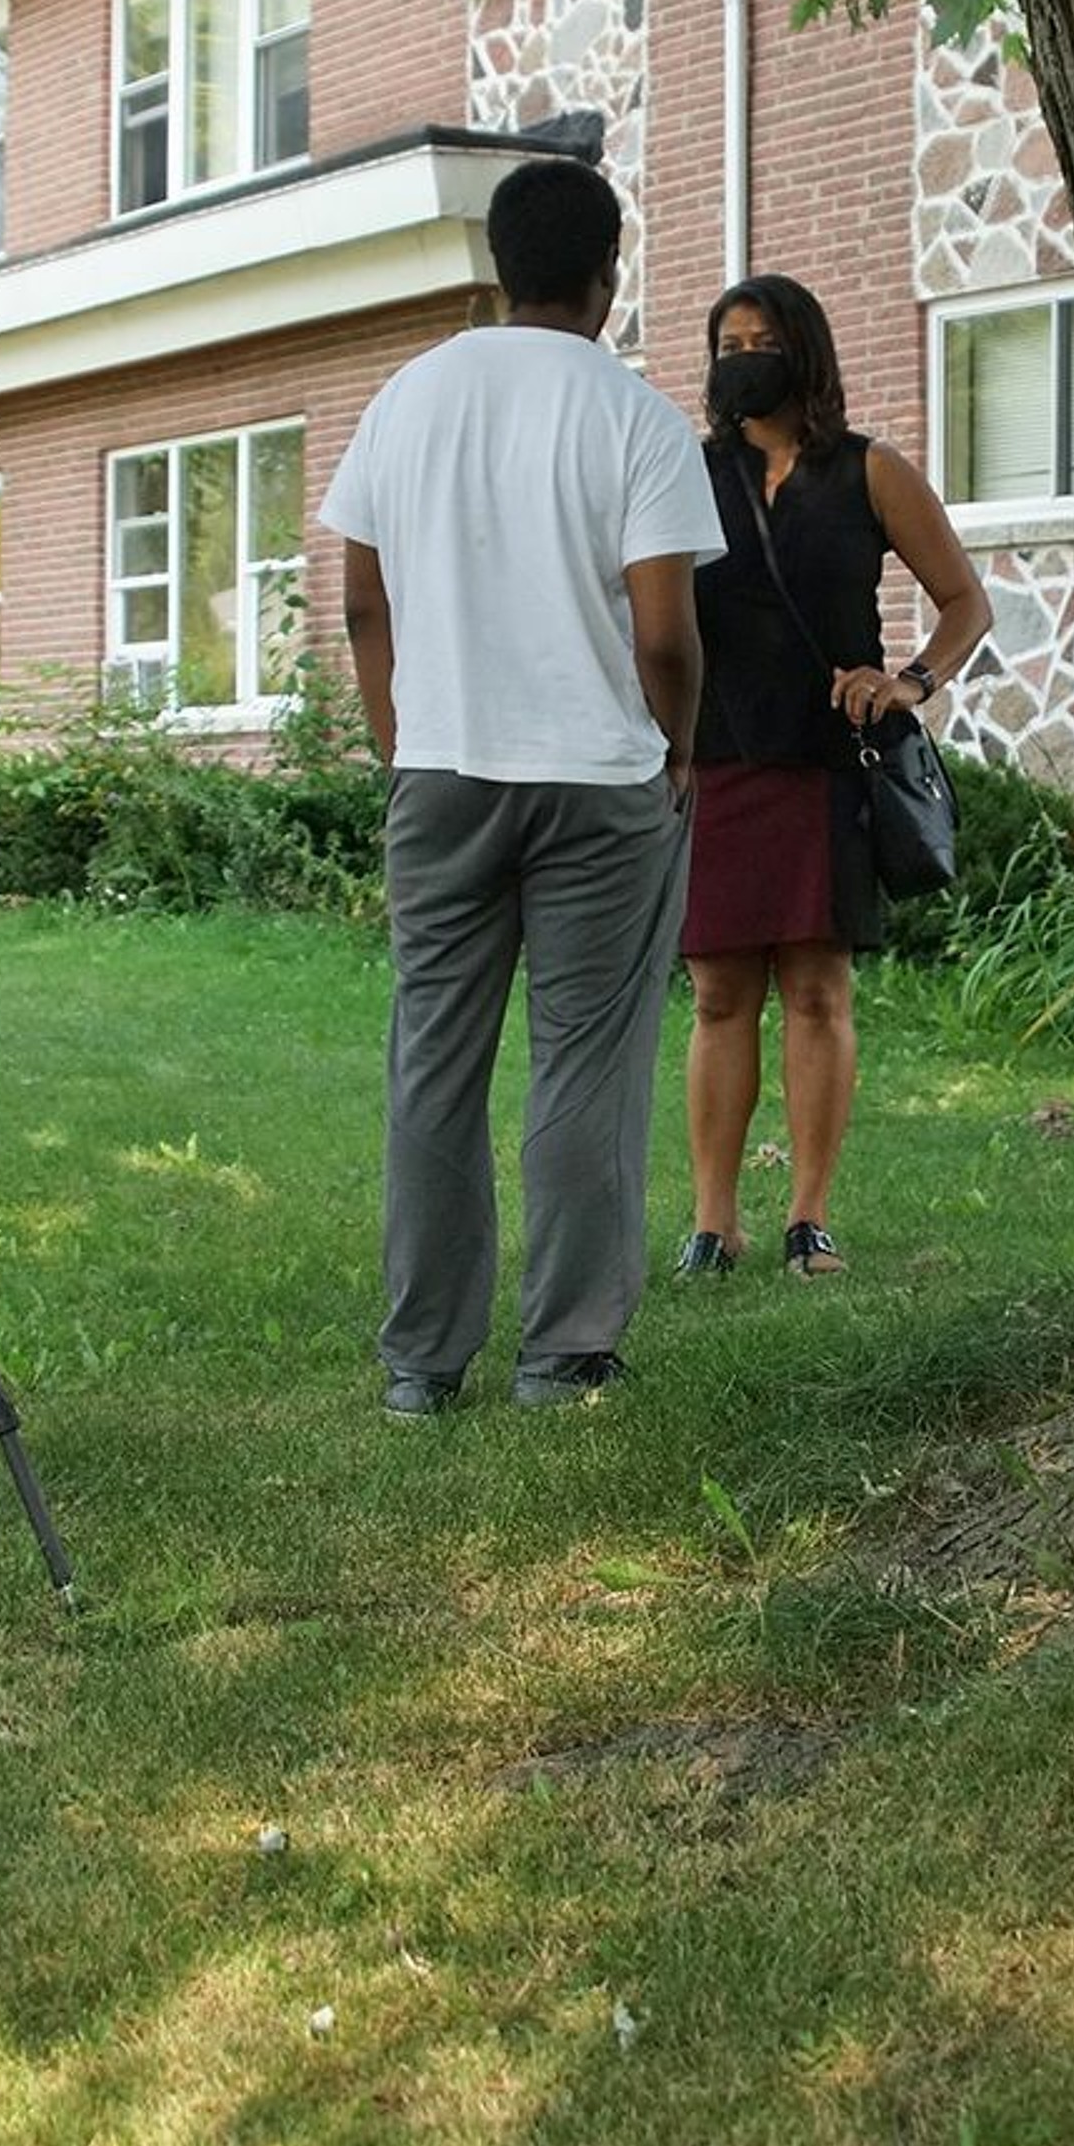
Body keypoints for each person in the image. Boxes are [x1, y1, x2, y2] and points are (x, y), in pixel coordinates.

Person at [318, 155, 722, 1414]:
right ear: (609, 275)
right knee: (586, 1063)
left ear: (500, 268)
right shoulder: (637, 418)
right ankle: (564, 1355)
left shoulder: (406, 399)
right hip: (600, 783)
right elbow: (666, 633)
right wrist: (679, 743)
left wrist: (402, 738)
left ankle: (420, 1366)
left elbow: (361, 602)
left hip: (441, 772)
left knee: (432, 1062)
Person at [673, 274, 991, 1280]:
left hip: (826, 762)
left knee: (817, 991)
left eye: (762, 342)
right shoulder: (685, 476)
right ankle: (713, 1223)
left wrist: (912, 682)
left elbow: (966, 602)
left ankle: (808, 1215)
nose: (743, 360)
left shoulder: (869, 472)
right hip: (716, 758)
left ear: (804, 351)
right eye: (728, 345)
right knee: (719, 996)